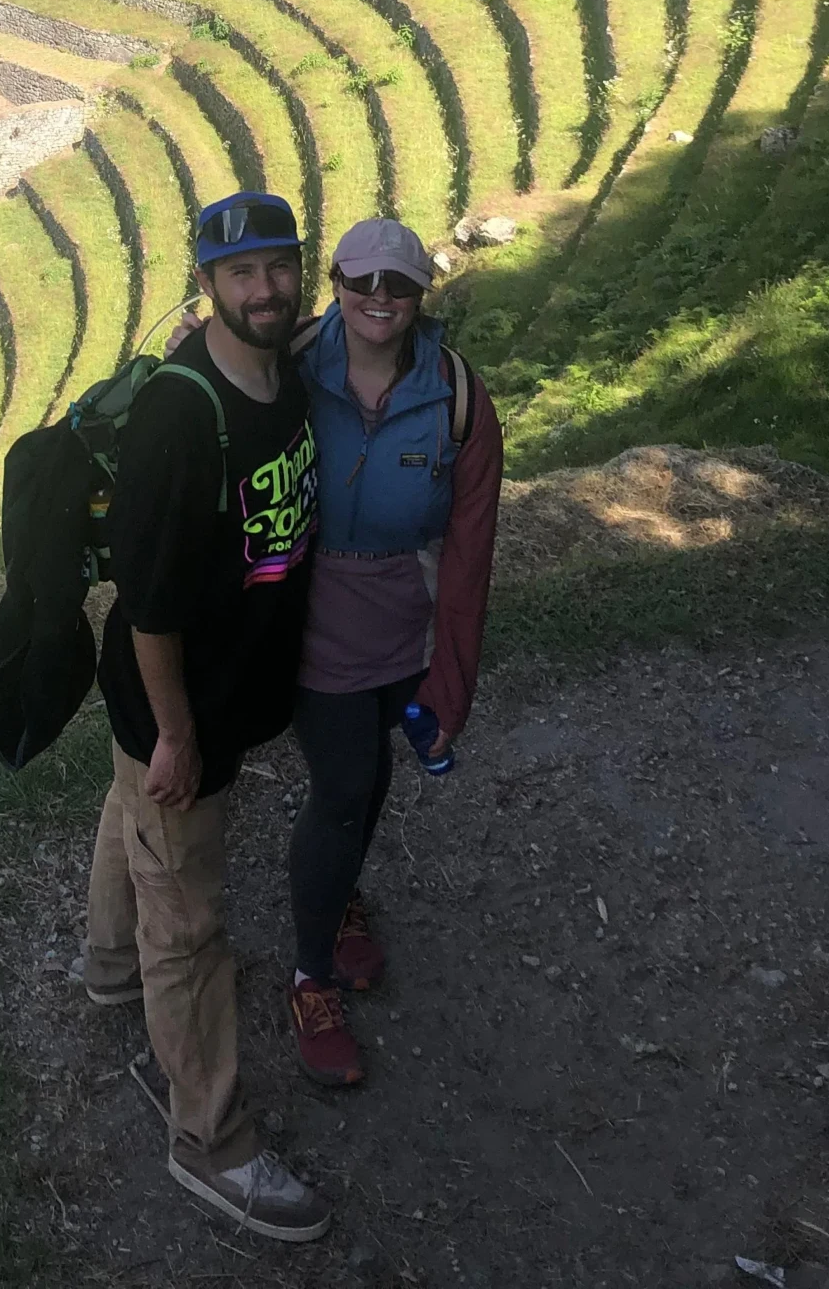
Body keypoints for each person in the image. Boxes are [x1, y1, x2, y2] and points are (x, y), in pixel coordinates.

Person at [80, 190, 330, 1243]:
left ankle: (105, 970)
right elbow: (150, 601)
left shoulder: (282, 373)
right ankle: (210, 1141)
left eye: (279, 266)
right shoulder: (182, 416)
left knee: (133, 812)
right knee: (189, 919)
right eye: (242, 274)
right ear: (208, 286)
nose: (264, 288)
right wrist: (178, 730)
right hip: (178, 706)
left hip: (218, 698)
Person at [284, 216, 503, 1088]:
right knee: (343, 785)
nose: (380, 298)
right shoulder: (293, 365)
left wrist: (452, 677)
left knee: (368, 779)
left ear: (421, 295)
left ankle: (336, 906)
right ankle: (310, 974)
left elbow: (470, 547)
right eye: (362, 280)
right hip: (307, 618)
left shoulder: (456, 396)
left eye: (399, 285)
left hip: (402, 621)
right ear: (335, 281)